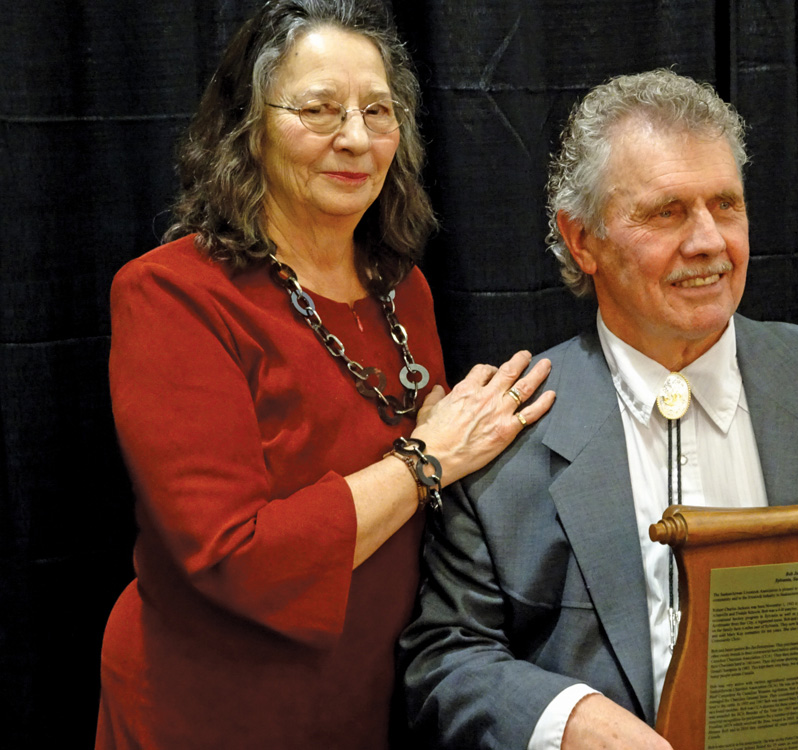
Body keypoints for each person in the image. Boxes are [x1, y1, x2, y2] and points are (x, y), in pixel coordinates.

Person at [399, 68, 798, 749]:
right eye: (667, 212)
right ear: (581, 239)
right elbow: (447, 657)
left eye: (727, 205)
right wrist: (567, 720)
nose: (710, 241)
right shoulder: (504, 431)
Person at [95, 1, 554, 748]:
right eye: (319, 110)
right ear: (248, 128)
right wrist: (428, 458)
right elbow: (231, 556)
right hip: (208, 705)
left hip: (363, 693)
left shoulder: (403, 286)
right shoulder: (172, 293)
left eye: (378, 110)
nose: (355, 138)